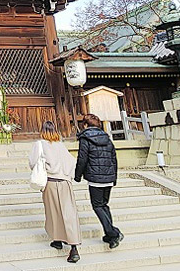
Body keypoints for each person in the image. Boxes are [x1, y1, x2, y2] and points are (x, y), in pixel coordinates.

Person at [31, 120, 82, 264]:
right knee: (69, 213)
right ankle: (71, 245)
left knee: (53, 212)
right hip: (65, 182)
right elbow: (71, 162)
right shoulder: (61, 145)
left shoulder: (39, 144)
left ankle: (59, 240)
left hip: (51, 182)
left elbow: (33, 163)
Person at [74, 113, 123, 249]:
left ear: (85, 125)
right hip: (108, 177)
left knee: (97, 206)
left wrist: (77, 175)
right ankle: (110, 237)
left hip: (95, 178)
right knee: (104, 205)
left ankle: (113, 233)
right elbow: (114, 159)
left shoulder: (85, 139)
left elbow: (82, 159)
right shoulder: (107, 138)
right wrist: (114, 177)